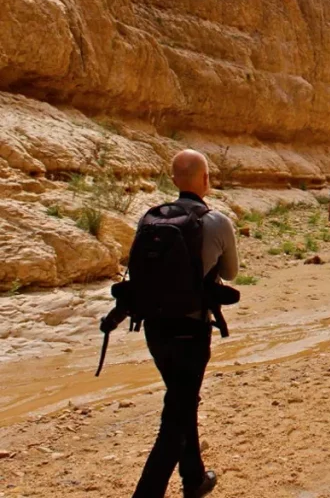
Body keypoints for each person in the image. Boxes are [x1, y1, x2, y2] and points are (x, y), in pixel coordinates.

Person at [133, 150, 238, 498]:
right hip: (192, 330)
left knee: (182, 400)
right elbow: (230, 273)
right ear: (206, 180)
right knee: (175, 418)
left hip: (154, 330)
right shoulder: (217, 221)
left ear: (173, 179)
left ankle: (193, 478)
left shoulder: (150, 219)